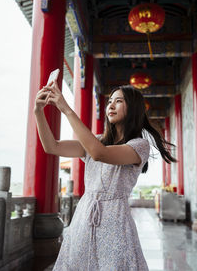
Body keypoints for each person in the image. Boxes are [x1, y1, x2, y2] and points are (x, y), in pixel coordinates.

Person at [34, 81, 176, 271]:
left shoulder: (139, 145)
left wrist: (66, 109)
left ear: (133, 108)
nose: (111, 105)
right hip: (85, 216)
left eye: (119, 101)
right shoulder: (97, 140)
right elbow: (52, 146)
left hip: (115, 220)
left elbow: (99, 153)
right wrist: (38, 111)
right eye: (110, 101)